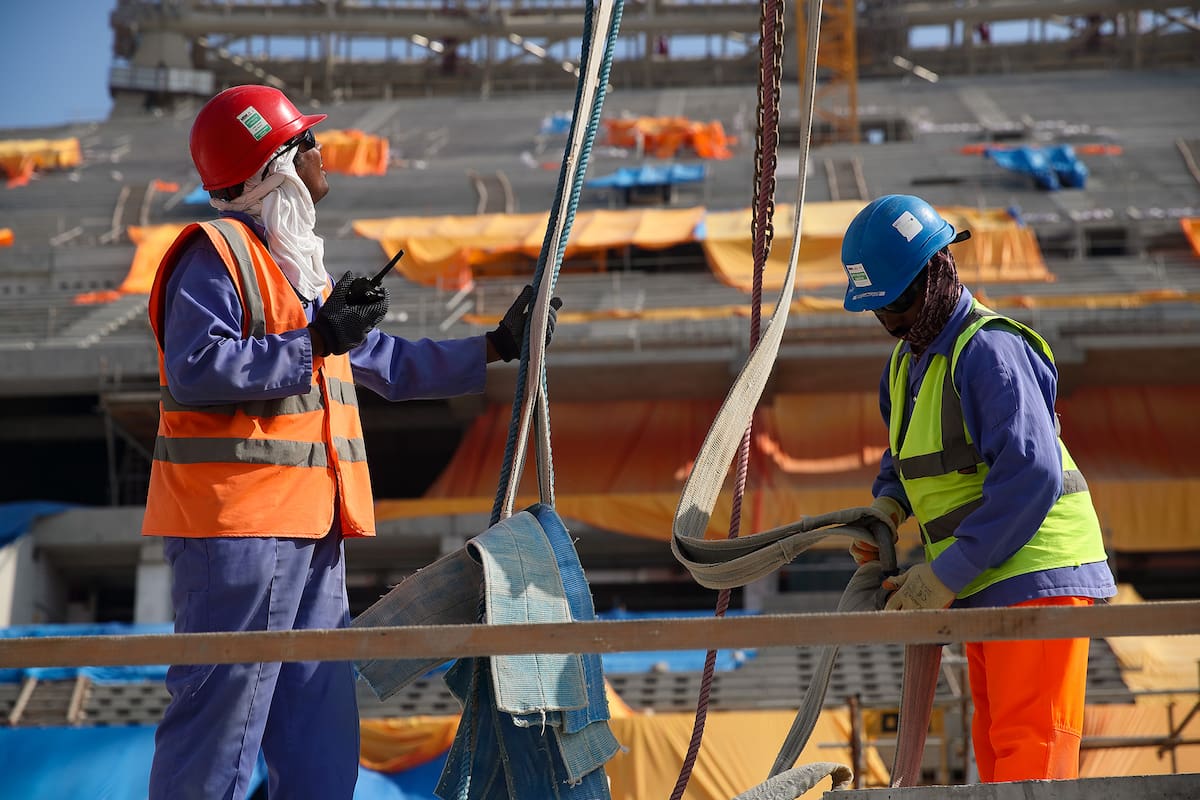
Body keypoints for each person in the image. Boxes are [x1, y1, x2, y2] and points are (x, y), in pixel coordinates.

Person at [142, 85, 559, 800]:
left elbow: (387, 365)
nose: (320, 152)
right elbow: (196, 368)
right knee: (220, 733)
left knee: (320, 748)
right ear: (272, 164)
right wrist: (313, 340)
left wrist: (496, 346)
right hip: (239, 531)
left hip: (311, 533)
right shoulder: (216, 254)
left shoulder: (298, 270)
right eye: (306, 143)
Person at [837, 194, 1115, 783]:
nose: (895, 321)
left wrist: (942, 574)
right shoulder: (907, 364)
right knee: (996, 757)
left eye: (901, 303)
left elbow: (1030, 474)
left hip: (1036, 575)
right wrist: (886, 507)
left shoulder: (988, 350)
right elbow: (909, 452)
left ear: (938, 269)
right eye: (881, 310)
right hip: (984, 578)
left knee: (1029, 755)